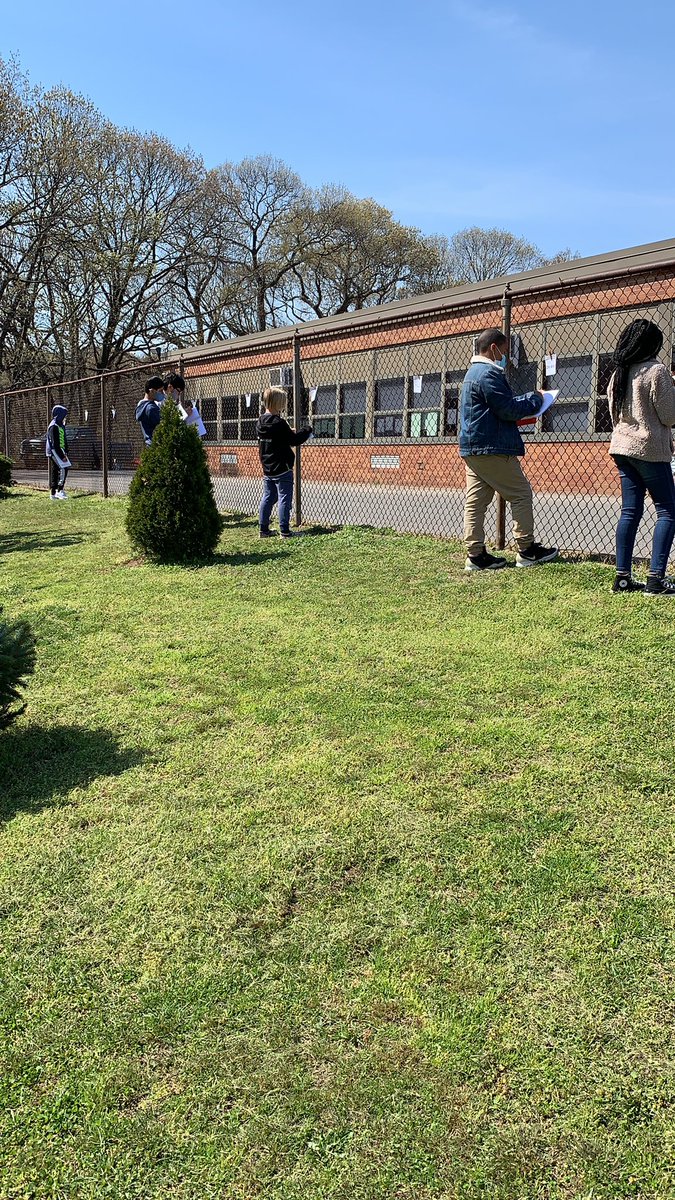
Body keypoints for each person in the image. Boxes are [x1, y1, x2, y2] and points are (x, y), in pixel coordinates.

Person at [459, 327, 559, 571]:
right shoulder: (488, 374)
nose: (506, 357)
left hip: (473, 447)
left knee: (477, 501)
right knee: (521, 493)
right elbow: (508, 409)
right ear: (494, 348)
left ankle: (476, 555)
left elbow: (498, 407)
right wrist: (536, 399)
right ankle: (526, 551)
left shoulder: (471, 374)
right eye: (504, 351)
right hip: (493, 447)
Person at [608, 319, 675, 596]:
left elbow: (613, 413)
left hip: (622, 447)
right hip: (649, 448)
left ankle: (622, 578)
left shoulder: (618, 372)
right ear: (650, 344)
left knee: (630, 511)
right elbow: (670, 416)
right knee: (668, 510)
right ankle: (655, 579)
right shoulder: (656, 371)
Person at [256, 387, 312, 538]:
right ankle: (285, 531)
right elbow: (293, 440)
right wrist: (306, 430)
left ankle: (264, 529)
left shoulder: (260, 421)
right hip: (283, 467)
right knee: (284, 498)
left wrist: (288, 431)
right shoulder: (279, 423)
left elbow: (278, 438)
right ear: (277, 403)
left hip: (268, 466)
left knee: (268, 497)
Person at [46, 404, 70, 499]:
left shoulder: (61, 425)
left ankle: (53, 493)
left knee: (55, 470)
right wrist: (62, 455)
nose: (65, 417)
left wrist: (66, 450)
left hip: (61, 450)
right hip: (54, 451)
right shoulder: (53, 426)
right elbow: (55, 444)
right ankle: (60, 490)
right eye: (64, 415)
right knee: (64, 468)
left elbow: (63, 439)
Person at [135, 378, 164, 446]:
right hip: (157, 445)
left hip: (149, 444)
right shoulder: (151, 408)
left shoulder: (141, 405)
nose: (162, 393)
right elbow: (162, 426)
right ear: (152, 391)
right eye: (160, 391)